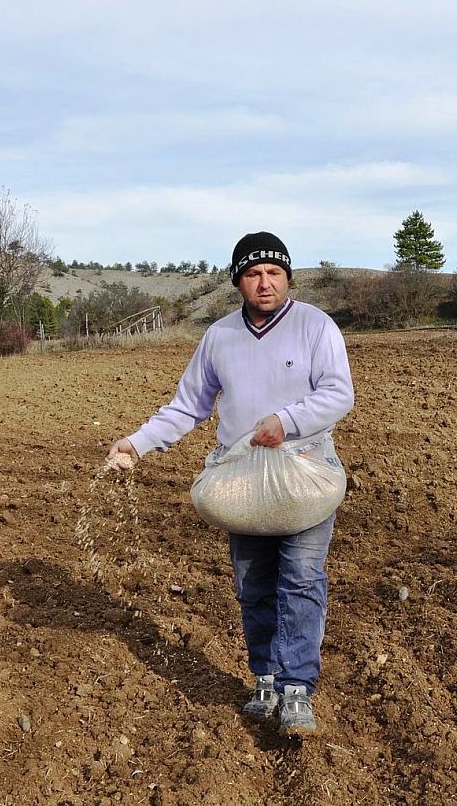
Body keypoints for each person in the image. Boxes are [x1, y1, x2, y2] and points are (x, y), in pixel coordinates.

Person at [107, 231, 354, 738]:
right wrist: (136, 443)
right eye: (253, 274)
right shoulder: (219, 336)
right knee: (253, 586)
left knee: (302, 579)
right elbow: (188, 406)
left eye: (274, 273)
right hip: (244, 479)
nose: (265, 283)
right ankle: (264, 678)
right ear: (238, 280)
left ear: (287, 277)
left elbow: (337, 393)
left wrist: (286, 422)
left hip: (305, 469)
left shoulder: (315, 326)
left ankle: (296, 689)